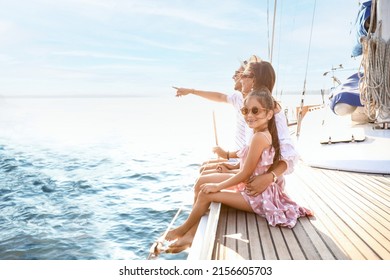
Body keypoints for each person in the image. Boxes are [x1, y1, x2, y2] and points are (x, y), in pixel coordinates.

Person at [165, 89, 313, 251]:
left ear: (270, 114)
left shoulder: (259, 137)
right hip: (257, 191)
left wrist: (218, 187)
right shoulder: (263, 134)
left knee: (205, 194)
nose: (249, 115)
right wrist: (231, 164)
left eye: (255, 110)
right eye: (245, 110)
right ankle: (189, 232)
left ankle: (184, 230)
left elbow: (246, 174)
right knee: (204, 189)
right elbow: (251, 165)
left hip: (257, 196)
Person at [174, 55, 262, 172]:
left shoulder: (255, 107)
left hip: (244, 161)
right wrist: (191, 91)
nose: (234, 77)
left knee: (204, 176)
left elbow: (253, 149)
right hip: (238, 158)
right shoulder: (238, 98)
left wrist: (226, 155)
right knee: (203, 168)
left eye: (238, 73)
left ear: (251, 78)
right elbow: (219, 96)